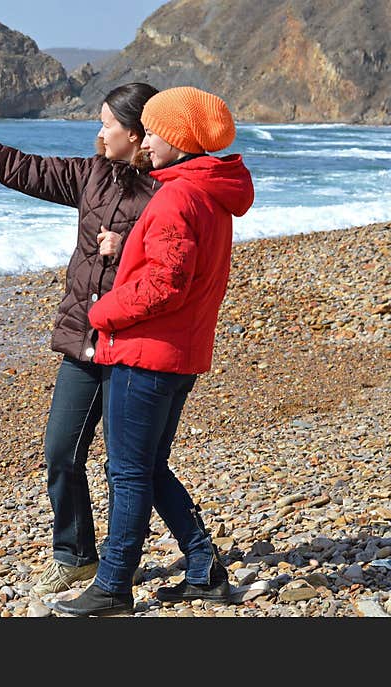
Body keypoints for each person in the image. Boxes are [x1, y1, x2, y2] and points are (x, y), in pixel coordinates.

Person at [0, 83, 160, 597]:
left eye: (107, 125)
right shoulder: (92, 174)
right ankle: (75, 557)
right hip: (82, 338)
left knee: (128, 465)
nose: (99, 133)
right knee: (59, 452)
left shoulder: (165, 192)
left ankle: (121, 567)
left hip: (131, 345)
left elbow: (170, 265)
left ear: (135, 134)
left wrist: (124, 249)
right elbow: (26, 168)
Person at [53, 86, 255, 616]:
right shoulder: (208, 192)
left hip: (147, 355)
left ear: (179, 138)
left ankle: (113, 585)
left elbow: (166, 283)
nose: (148, 142)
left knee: (127, 471)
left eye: (155, 131)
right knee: (148, 464)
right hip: (179, 351)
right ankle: (203, 565)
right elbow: (181, 268)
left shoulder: (177, 195)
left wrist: (101, 314)